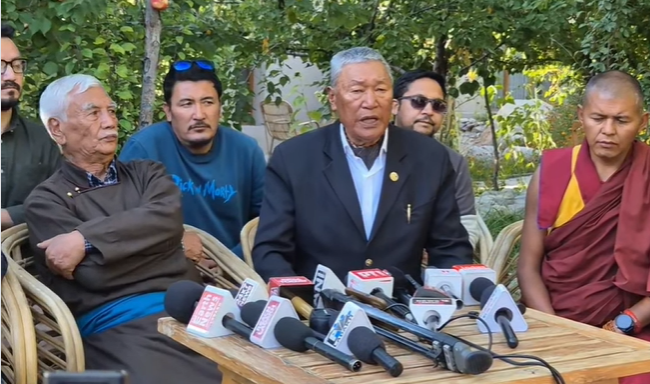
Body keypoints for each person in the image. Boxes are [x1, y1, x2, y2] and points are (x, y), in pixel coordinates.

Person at [24, 74, 221, 384]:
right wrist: (171, 248)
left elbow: (168, 217)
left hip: (194, 309)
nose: (110, 121)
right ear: (57, 129)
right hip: (123, 327)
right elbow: (93, 275)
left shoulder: (147, 173)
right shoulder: (45, 201)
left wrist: (84, 239)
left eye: (112, 110)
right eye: (93, 112)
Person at [516, 71, 650, 384]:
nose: (608, 131)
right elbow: (528, 267)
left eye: (622, 120)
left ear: (643, 122)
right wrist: (558, 330)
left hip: (635, 325)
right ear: (581, 116)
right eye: (598, 118)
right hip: (554, 318)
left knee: (648, 378)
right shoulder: (554, 172)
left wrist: (627, 322)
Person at [252, 47, 473, 282]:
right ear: (333, 99)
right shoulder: (293, 158)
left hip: (403, 309)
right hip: (318, 308)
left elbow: (451, 249)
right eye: (357, 91)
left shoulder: (429, 157)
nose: (371, 102)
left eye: (380, 90)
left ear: (393, 100)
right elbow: (270, 252)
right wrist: (299, 304)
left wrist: (439, 302)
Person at [119, 60, 265, 258]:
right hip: (164, 267)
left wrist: (229, 263)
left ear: (220, 109)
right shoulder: (144, 149)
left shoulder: (246, 151)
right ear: (168, 112)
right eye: (187, 104)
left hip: (234, 271)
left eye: (207, 102)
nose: (199, 114)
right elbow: (123, 223)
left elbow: (266, 222)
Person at [392, 70, 480, 252]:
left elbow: (467, 225)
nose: (428, 111)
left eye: (438, 106)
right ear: (395, 106)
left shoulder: (453, 162)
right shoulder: (372, 151)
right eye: (418, 101)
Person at [1, 24, 62, 230]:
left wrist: (7, 216)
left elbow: (63, 201)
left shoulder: (43, 141)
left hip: (20, 260)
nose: (10, 76)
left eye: (16, 65)